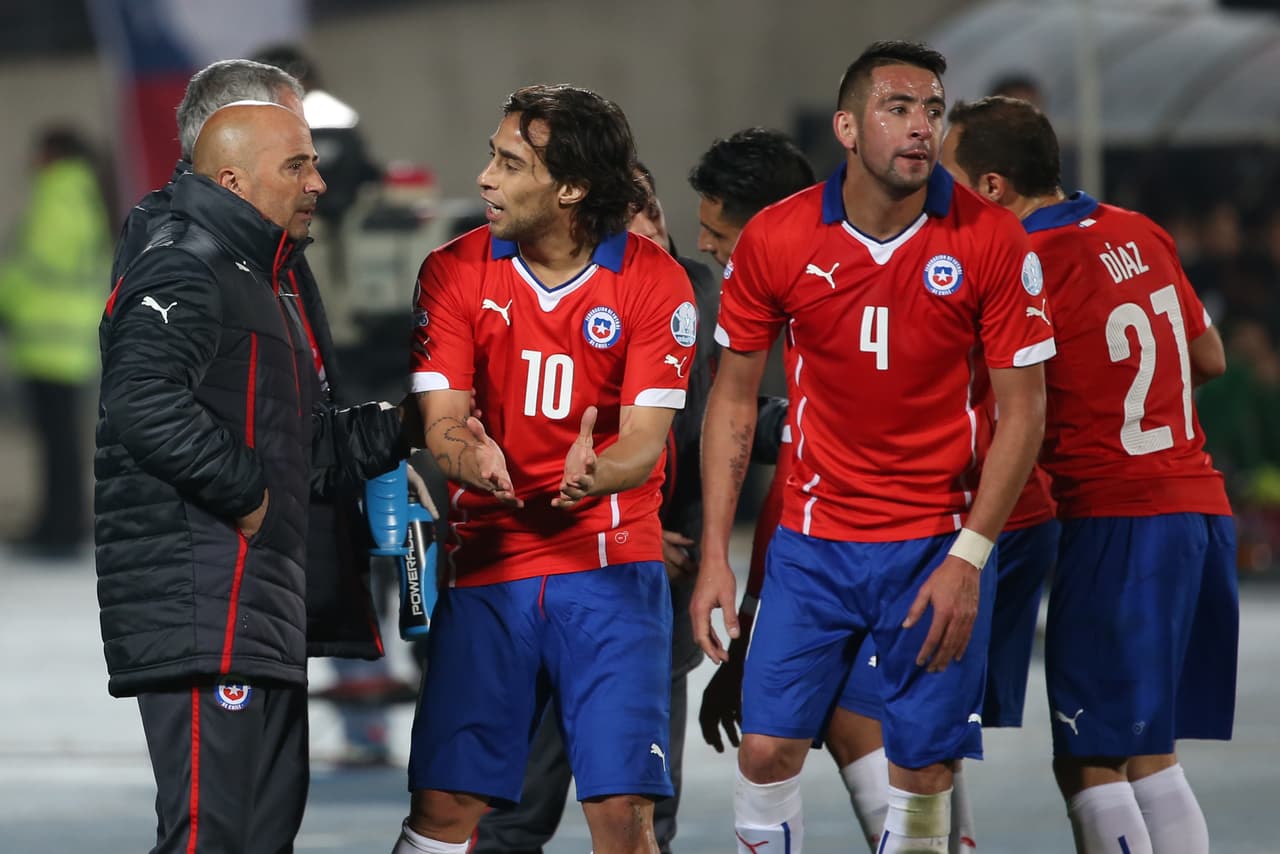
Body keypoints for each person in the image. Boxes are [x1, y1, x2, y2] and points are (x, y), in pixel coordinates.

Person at [691, 41, 1056, 854]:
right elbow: (733, 399)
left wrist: (969, 557)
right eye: (898, 108)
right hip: (812, 548)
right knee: (765, 750)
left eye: (932, 108)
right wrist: (717, 551)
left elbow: (1023, 414)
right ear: (848, 128)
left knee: (923, 770)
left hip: (936, 544)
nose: (921, 126)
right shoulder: (779, 239)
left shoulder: (992, 241)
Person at [96, 101, 407, 854]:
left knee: (262, 838)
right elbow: (140, 399)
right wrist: (249, 497)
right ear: (233, 179)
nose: (318, 183)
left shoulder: (262, 277)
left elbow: (295, 444)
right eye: (296, 165)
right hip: (208, 607)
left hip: (257, 609)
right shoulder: (185, 262)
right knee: (213, 838)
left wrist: (412, 428)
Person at [396, 84, 695, 854]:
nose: (485, 179)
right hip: (489, 567)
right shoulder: (453, 271)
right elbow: (443, 423)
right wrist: (469, 456)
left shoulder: (654, 282)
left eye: (509, 163)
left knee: (623, 817)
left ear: (570, 187)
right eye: (491, 158)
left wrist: (596, 475)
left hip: (610, 570)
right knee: (444, 809)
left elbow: (643, 441)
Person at [941, 95, 1238, 854]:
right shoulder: (1138, 230)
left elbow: (1007, 406)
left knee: (1088, 757)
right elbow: (1209, 359)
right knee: (1147, 749)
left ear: (994, 187)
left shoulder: (1024, 263)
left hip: (1116, 521)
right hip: (1198, 509)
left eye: (951, 174)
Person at [472, 163, 725, 854]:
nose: (647, 232)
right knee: (512, 811)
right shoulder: (507, 291)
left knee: (641, 814)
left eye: (655, 215)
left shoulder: (693, 297)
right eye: (628, 218)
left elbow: (712, 426)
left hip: (648, 589)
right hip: (539, 580)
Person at [0, 126, 112, 557]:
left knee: (56, 445)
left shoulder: (55, 197)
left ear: (53, 153)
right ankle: (63, 524)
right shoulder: (86, 196)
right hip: (71, 338)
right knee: (63, 443)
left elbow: (30, 268)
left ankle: (57, 529)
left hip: (45, 338)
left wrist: (5, 300)